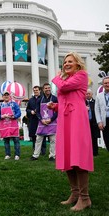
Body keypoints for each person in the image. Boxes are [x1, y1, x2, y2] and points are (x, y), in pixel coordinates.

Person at [51, 52, 93, 211]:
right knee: (68, 157)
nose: (66, 64)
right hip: (65, 120)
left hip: (77, 120)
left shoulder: (82, 75)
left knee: (79, 157)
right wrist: (55, 107)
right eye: (64, 62)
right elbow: (65, 98)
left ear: (77, 64)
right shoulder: (66, 79)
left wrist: (56, 77)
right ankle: (75, 194)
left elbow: (64, 87)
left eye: (70, 61)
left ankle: (85, 198)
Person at [30, 83, 58, 161]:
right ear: (43, 89)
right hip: (42, 122)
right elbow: (37, 111)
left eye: (49, 88)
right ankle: (35, 155)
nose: (48, 89)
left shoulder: (55, 98)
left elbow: (57, 111)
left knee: (53, 140)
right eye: (46, 88)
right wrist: (41, 120)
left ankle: (52, 155)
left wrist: (51, 120)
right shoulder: (40, 99)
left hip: (52, 122)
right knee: (38, 139)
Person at [0, 90, 21, 160]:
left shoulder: (14, 104)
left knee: (16, 140)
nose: (6, 96)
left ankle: (17, 155)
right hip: (4, 125)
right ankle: (7, 154)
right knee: (6, 140)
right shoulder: (0, 105)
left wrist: (14, 116)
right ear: (2, 97)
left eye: (7, 95)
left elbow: (19, 112)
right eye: (4, 95)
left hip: (13, 125)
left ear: (9, 96)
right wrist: (2, 116)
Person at [26, 86, 47, 154]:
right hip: (33, 120)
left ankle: (43, 150)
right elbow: (27, 109)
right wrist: (31, 111)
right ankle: (35, 150)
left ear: (40, 91)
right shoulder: (31, 100)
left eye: (37, 90)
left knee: (42, 135)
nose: (35, 91)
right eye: (34, 90)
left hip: (40, 119)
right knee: (34, 136)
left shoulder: (43, 98)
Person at [95, 76, 109, 152]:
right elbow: (97, 110)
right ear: (103, 85)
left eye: (108, 83)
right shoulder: (99, 96)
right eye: (105, 83)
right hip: (104, 122)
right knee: (107, 141)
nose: (107, 84)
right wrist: (99, 121)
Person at [86, 89, 100, 156]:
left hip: (94, 122)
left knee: (94, 138)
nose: (88, 95)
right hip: (86, 123)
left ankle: (95, 152)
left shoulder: (95, 102)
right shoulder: (83, 102)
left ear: (92, 94)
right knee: (87, 138)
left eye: (89, 94)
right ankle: (87, 152)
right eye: (86, 94)